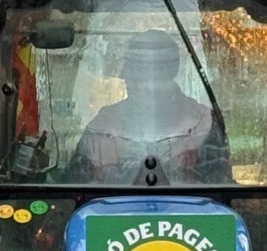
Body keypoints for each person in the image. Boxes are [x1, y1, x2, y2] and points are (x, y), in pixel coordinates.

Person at [68, 28, 227, 184]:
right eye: (127, 67)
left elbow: (219, 191)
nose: (123, 76)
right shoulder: (103, 122)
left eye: (136, 68)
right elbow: (72, 184)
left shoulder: (204, 124)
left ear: (167, 71)